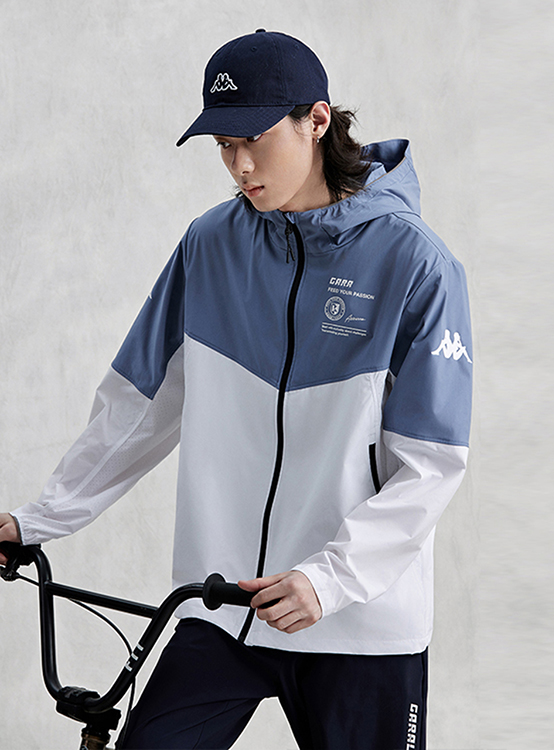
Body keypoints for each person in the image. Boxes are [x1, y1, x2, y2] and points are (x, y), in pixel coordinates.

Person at [0, 29, 472, 749]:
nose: (240, 165)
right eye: (224, 145)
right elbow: (138, 407)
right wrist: (39, 520)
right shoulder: (209, 244)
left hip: (357, 621)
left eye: (253, 139)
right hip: (223, 610)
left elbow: (431, 466)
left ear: (316, 121)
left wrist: (331, 579)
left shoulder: (417, 265)